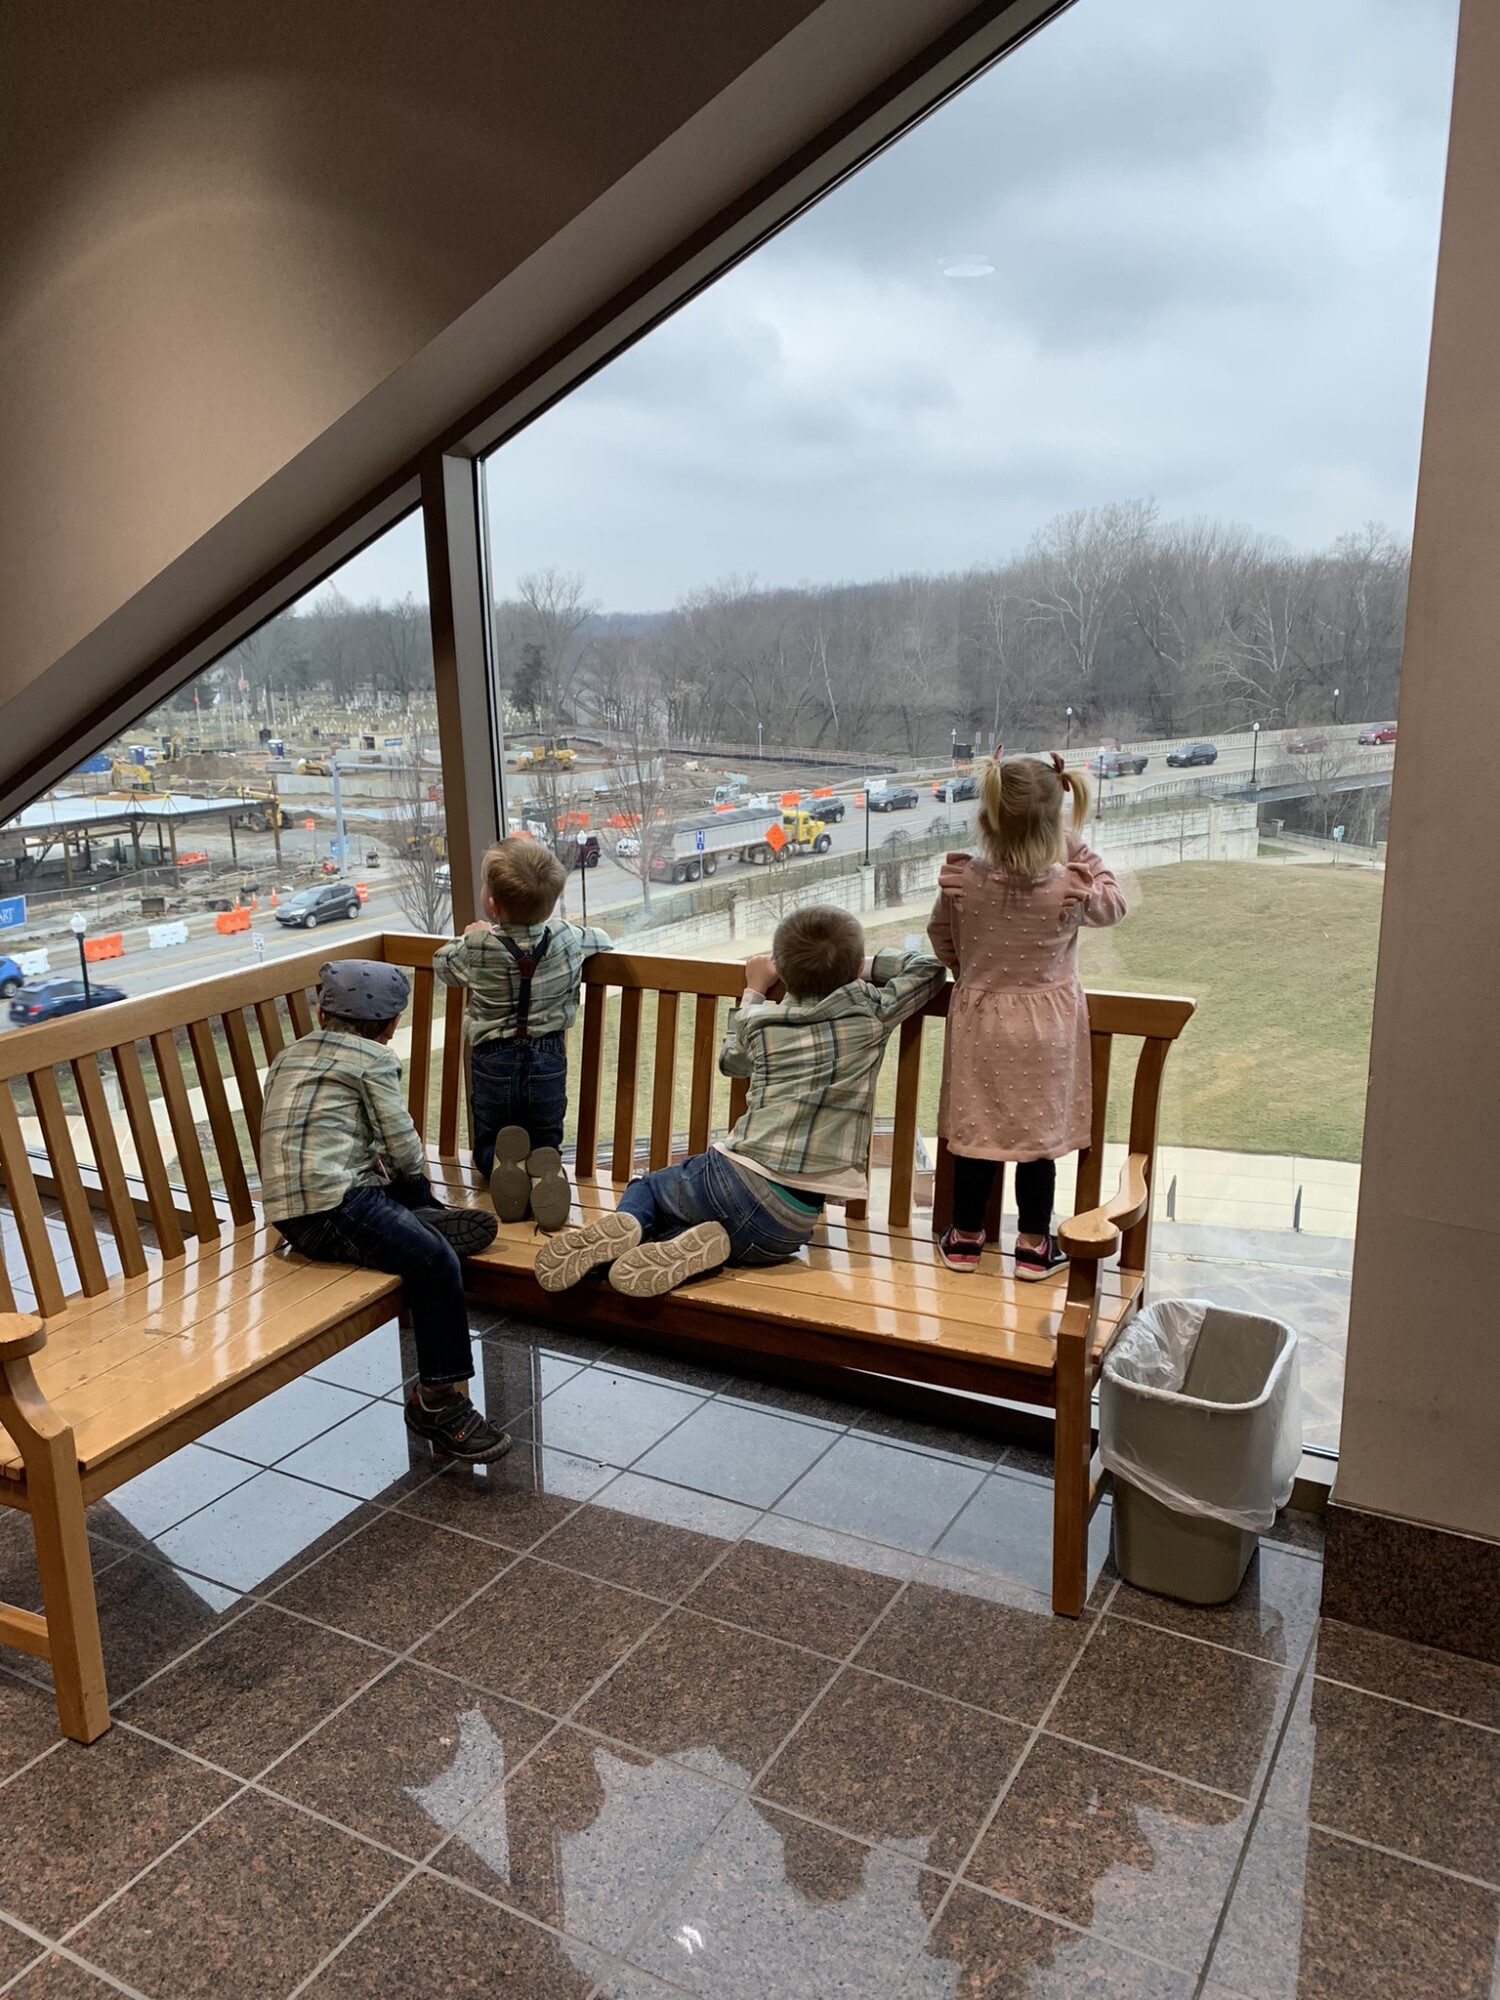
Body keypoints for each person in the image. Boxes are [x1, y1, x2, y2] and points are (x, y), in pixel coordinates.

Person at [533, 906, 947, 1299]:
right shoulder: (870, 1013)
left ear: (782, 968)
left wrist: (753, 990)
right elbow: (928, 970)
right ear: (855, 968)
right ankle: (709, 1244)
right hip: (789, 1226)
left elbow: (731, 1062)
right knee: (720, 1226)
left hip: (731, 1178)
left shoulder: (760, 1022)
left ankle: (634, 1225)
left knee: (652, 1191)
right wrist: (866, 965)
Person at [261, 959, 510, 1464]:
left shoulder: (290, 1056)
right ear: (391, 1024)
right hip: (333, 1208)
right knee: (436, 1261)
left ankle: (418, 1219)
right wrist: (413, 1180)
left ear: (320, 1009)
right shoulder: (372, 1059)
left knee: (389, 1204)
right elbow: (402, 1142)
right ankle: (437, 1403)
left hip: (293, 1209)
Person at [928, 752, 1125, 1280]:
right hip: (1048, 1031)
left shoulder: (963, 881)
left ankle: (966, 1238)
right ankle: (1035, 1246)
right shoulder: (1071, 887)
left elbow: (941, 937)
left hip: (980, 1021)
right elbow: (1116, 903)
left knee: (976, 1130)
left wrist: (969, 969)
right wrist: (1077, 846)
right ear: (1057, 823)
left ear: (986, 820)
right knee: (1039, 1142)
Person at [433, 836, 612, 1226]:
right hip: (548, 1057)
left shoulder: (477, 946)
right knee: (545, 1131)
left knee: (491, 1133)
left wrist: (471, 933)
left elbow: (442, 964)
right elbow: (604, 940)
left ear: (493, 904)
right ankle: (545, 1168)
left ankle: (498, 1163)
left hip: (493, 1059)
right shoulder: (566, 938)